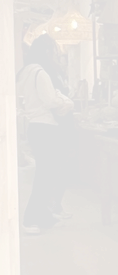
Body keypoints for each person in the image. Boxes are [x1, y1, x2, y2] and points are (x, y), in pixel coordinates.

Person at [16, 34, 74, 234]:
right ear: (47, 52)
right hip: (45, 127)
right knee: (45, 176)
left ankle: (43, 216)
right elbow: (50, 101)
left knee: (46, 174)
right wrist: (65, 100)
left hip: (36, 127)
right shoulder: (40, 73)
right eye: (53, 51)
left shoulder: (27, 71)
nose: (55, 55)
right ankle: (30, 219)